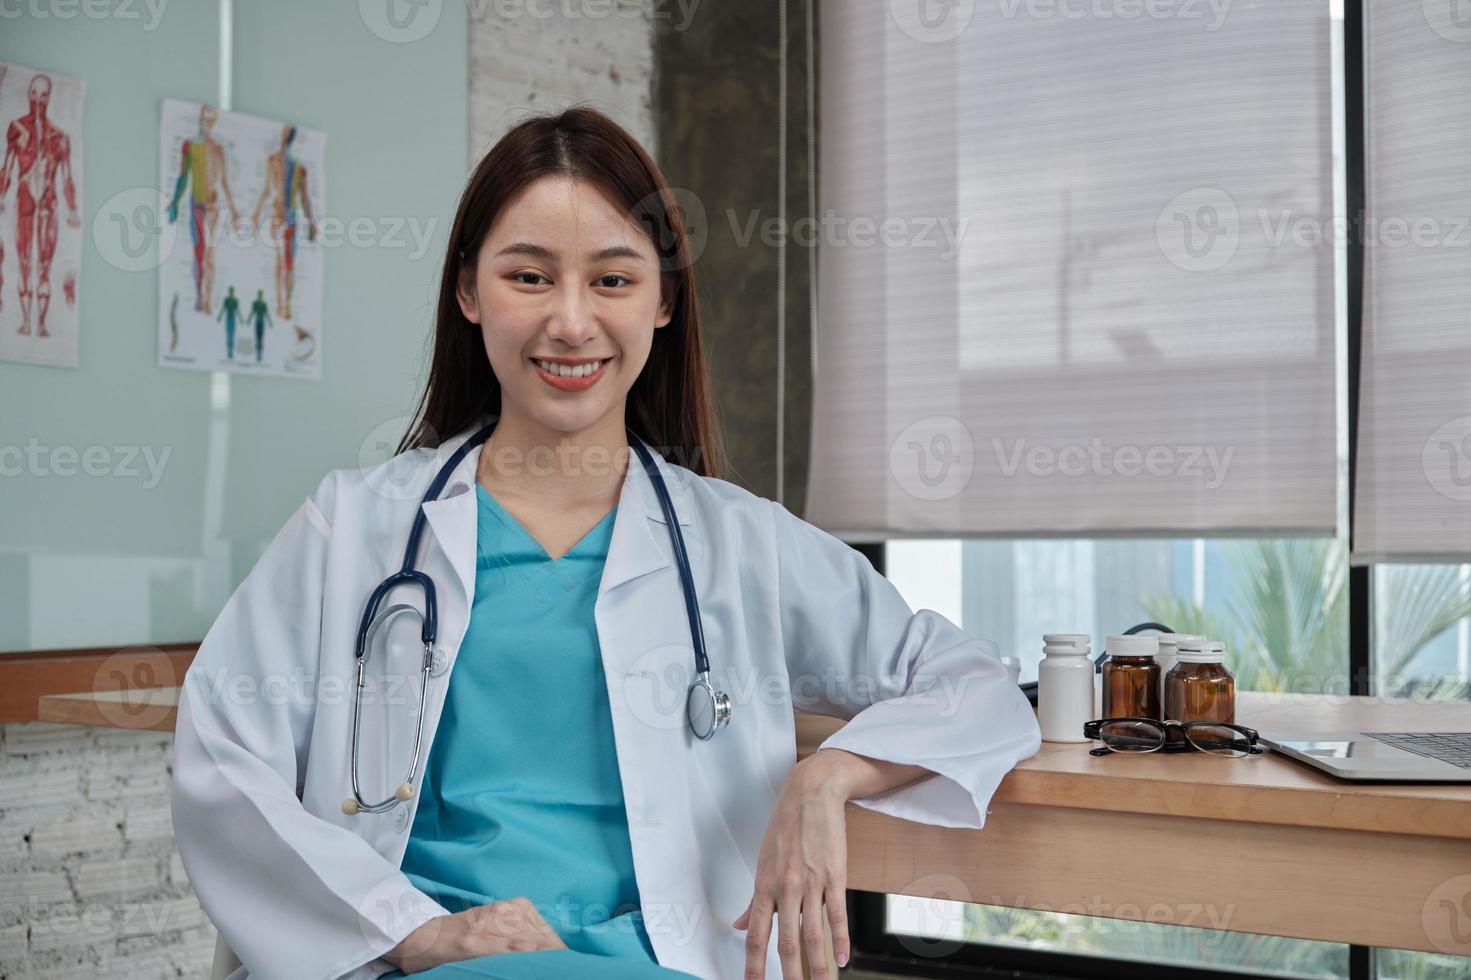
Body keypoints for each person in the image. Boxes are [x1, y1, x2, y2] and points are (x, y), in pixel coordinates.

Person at [170, 105, 1042, 980]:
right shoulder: (353, 528)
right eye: (530, 277)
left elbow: (975, 684)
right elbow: (220, 758)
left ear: (662, 302)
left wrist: (831, 776)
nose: (572, 322)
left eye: (613, 280)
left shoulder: (741, 542)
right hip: (423, 962)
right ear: (469, 292)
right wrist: (419, 930)